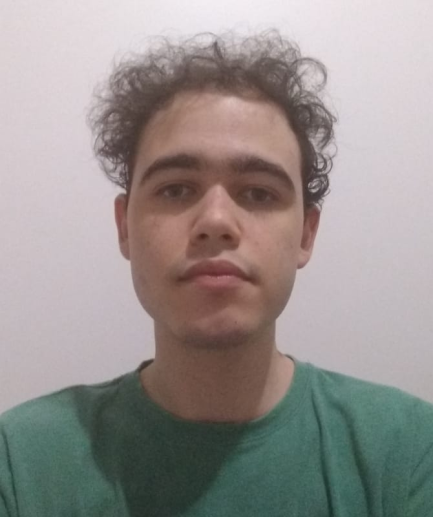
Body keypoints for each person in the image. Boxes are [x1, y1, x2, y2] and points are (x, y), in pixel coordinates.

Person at [1, 30, 432, 516]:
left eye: (258, 193)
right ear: (124, 227)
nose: (216, 221)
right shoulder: (22, 461)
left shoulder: (409, 451)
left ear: (306, 235)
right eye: (176, 189)